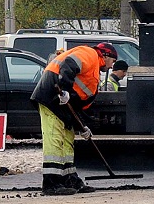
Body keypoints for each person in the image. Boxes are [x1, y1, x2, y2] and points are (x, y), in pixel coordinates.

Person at [30, 42, 117, 195]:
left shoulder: (94, 72)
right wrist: (63, 90)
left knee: (68, 142)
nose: (111, 67)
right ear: (105, 55)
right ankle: (51, 183)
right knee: (55, 139)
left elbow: (79, 105)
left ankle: (70, 179)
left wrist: (82, 127)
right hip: (52, 98)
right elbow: (68, 64)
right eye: (113, 61)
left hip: (64, 105)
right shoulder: (90, 54)